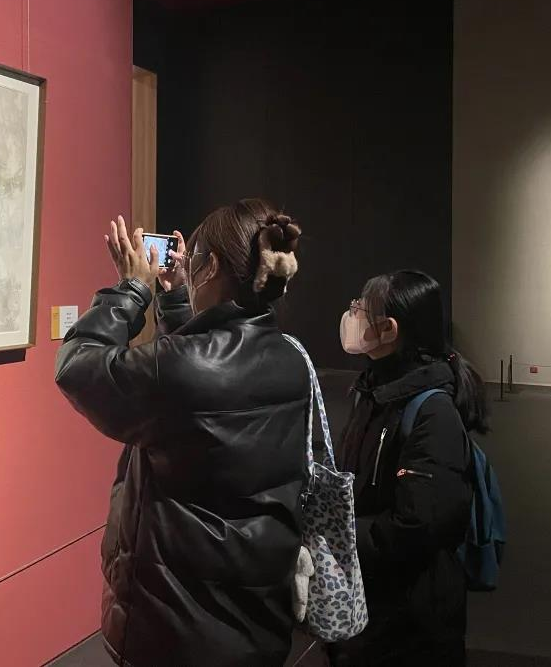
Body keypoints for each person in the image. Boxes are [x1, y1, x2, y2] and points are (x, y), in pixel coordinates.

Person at [54, 200, 308, 666]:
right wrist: (175, 301)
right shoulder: (292, 357)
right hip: (255, 612)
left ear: (208, 267)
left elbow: (77, 367)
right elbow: (189, 393)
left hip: (176, 627)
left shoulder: (185, 368)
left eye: (195, 263)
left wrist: (131, 289)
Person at [328, 271, 484, 667]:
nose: (352, 315)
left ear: (389, 329)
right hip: (370, 603)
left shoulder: (433, 413)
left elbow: (418, 524)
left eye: (361, 309)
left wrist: (337, 536)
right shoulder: (374, 391)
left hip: (410, 619)